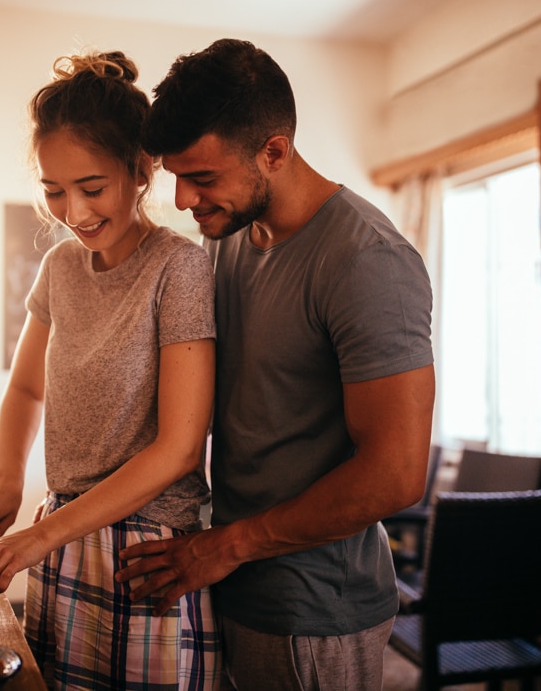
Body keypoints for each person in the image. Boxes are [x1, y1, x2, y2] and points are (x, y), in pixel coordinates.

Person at [116, 38, 436, 690]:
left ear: (275, 151)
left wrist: (224, 545)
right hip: (230, 589)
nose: (182, 200)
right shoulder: (232, 239)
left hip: (317, 614)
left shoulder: (366, 260)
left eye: (202, 177)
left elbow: (398, 474)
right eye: (176, 175)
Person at [0, 51, 221, 690]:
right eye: (54, 191)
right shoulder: (58, 270)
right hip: (64, 538)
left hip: (145, 554)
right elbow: (26, 387)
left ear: (141, 171)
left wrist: (39, 536)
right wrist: (6, 480)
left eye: (92, 188)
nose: (74, 212)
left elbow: (180, 449)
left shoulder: (179, 269)